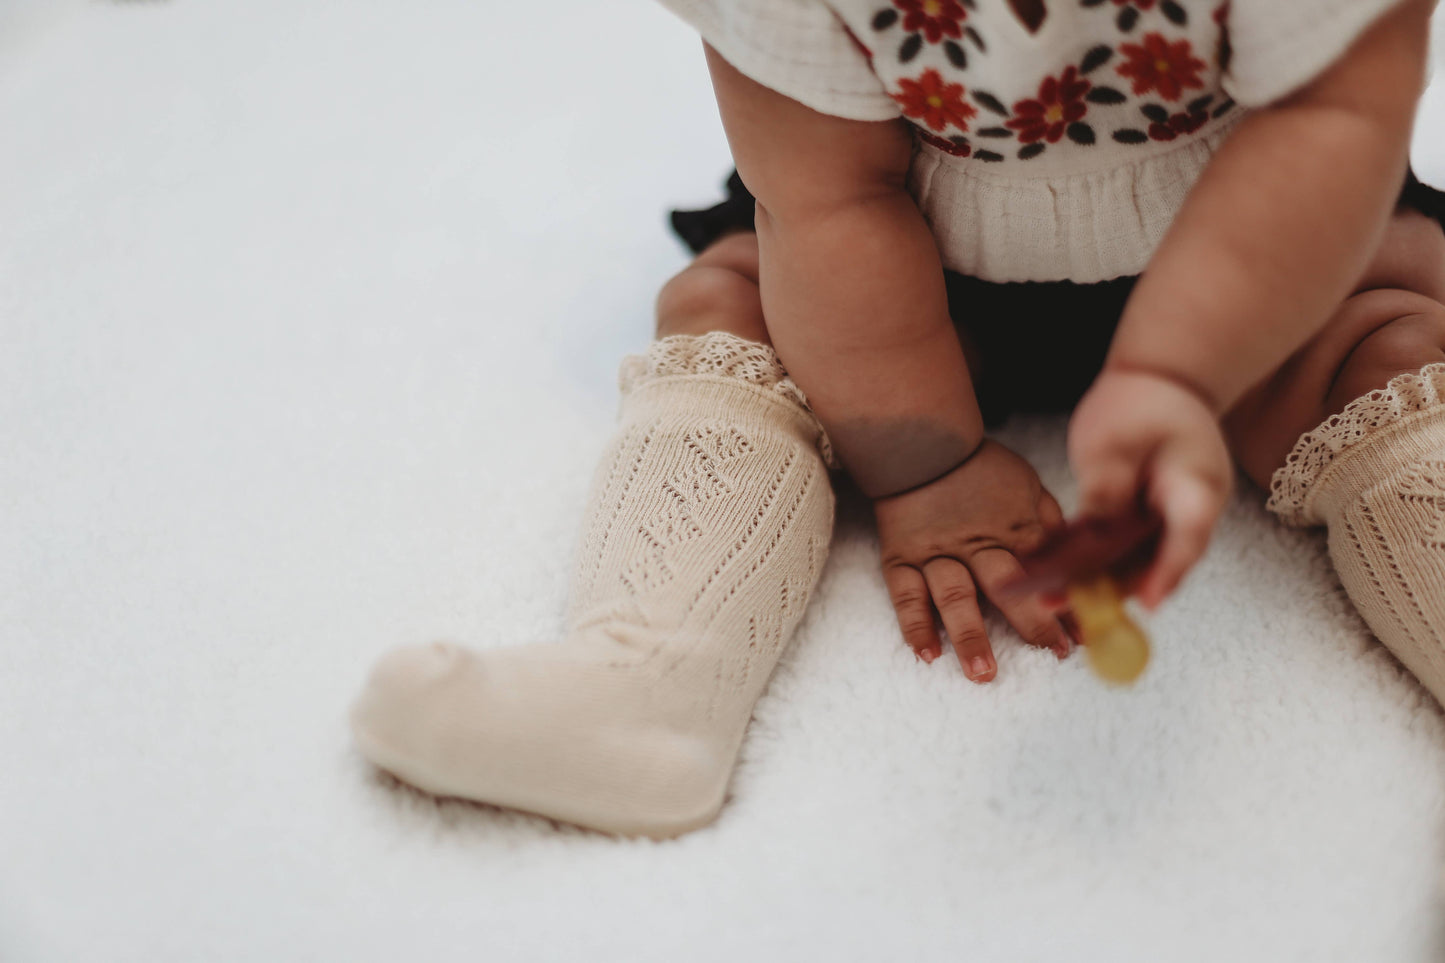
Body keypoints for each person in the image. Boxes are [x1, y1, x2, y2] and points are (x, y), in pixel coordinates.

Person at [350, 0, 1445, 837]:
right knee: (730, 307)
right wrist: (922, 463)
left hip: (1266, 250)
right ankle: (647, 676)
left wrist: (1181, 367)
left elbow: (1331, 120)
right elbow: (825, 200)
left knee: (1395, 343)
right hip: (902, 262)